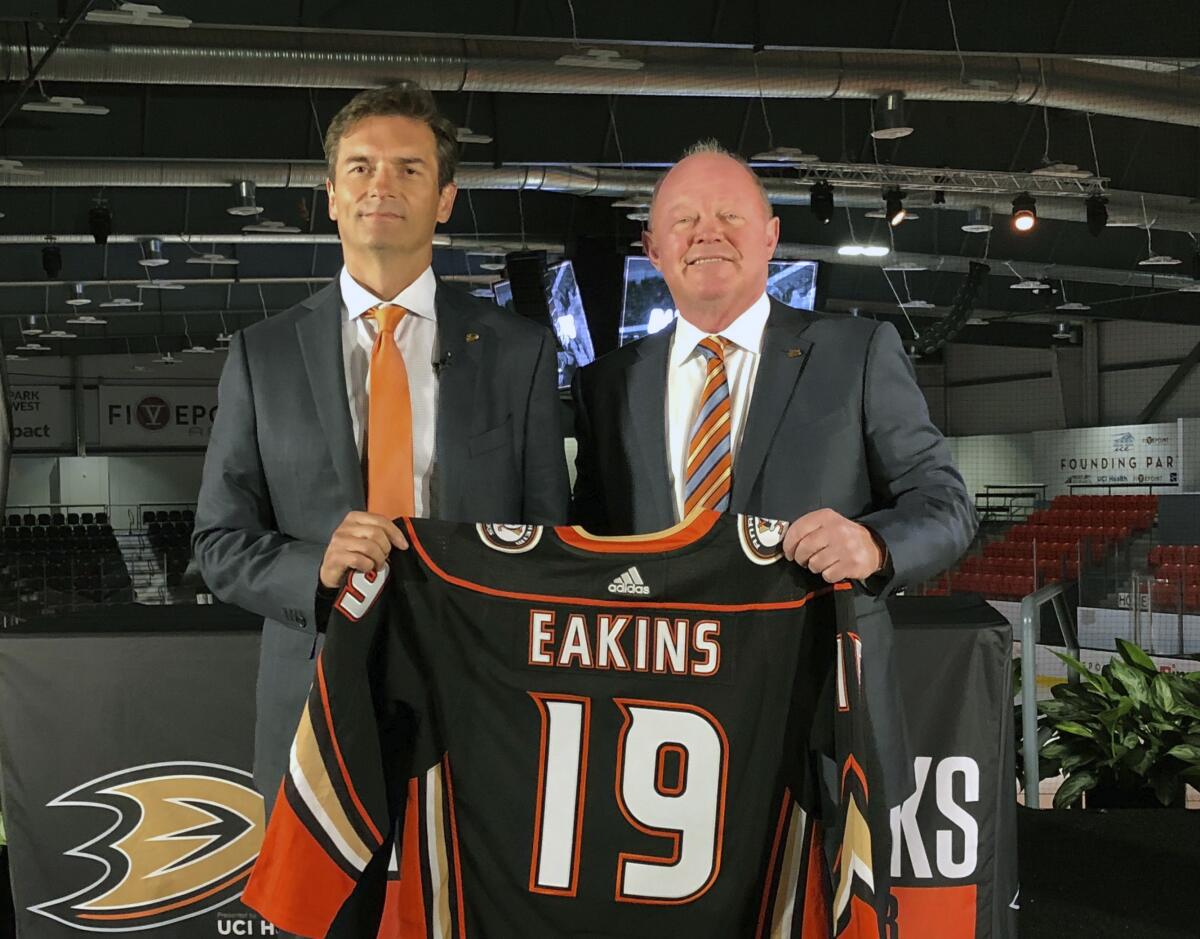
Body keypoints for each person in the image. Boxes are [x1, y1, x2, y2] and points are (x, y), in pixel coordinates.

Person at [193, 80, 569, 817]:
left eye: (409, 168)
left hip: (481, 695)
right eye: (361, 167)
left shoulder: (518, 352)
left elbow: (550, 539)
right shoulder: (261, 355)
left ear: (445, 198)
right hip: (316, 698)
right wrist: (315, 566)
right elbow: (219, 542)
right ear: (331, 195)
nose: (382, 185)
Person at [571, 139, 977, 793]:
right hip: (653, 724)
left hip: (820, 719)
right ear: (652, 247)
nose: (708, 234)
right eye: (684, 220)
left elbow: (946, 503)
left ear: (770, 237)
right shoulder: (607, 384)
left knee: (826, 899)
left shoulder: (857, 351)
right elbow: (588, 542)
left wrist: (873, 542)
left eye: (730, 215)